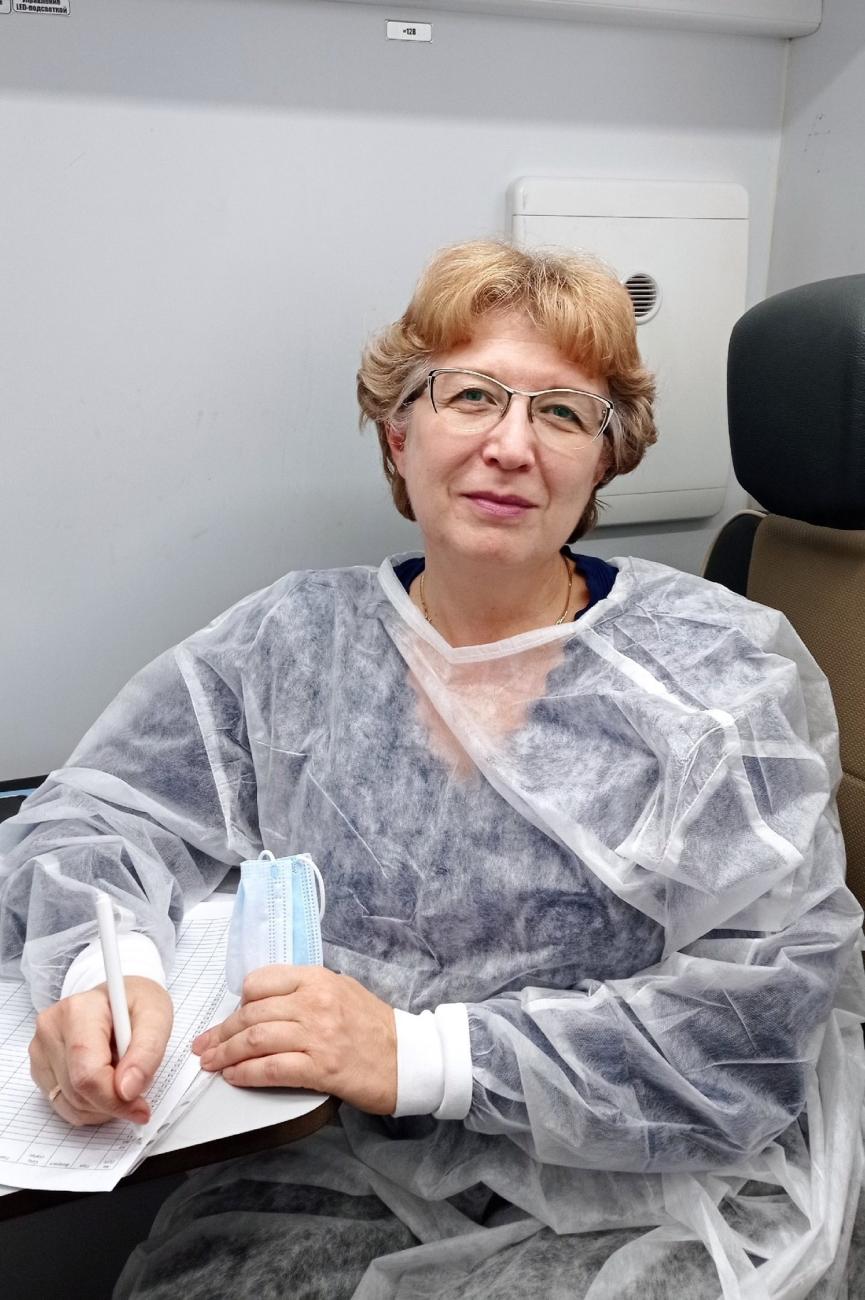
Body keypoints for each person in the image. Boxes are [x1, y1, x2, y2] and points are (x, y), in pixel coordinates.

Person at [1, 240, 863, 1299]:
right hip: (340, 1165)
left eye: (562, 413)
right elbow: (94, 816)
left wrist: (418, 1055)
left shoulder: (712, 671)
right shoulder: (291, 644)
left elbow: (756, 1025)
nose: (511, 445)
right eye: (471, 395)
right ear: (398, 430)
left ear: (604, 460)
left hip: (650, 1190)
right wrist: (106, 973)